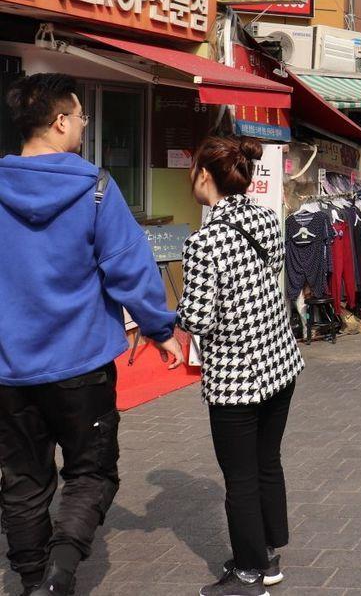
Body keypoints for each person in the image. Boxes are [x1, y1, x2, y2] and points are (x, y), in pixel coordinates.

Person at [0, 74, 183, 596]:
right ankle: (58, 575)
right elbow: (129, 267)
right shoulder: (95, 188)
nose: (84, 123)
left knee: (24, 480)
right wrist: (159, 328)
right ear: (59, 122)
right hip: (81, 365)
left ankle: (31, 579)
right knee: (92, 473)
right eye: (81, 116)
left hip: (9, 370)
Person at [178, 136, 305, 596]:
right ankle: (269, 555)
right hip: (280, 362)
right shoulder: (267, 218)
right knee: (267, 462)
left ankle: (250, 572)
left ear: (205, 175)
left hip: (237, 377)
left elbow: (198, 317)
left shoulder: (206, 241)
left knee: (240, 477)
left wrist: (171, 313)